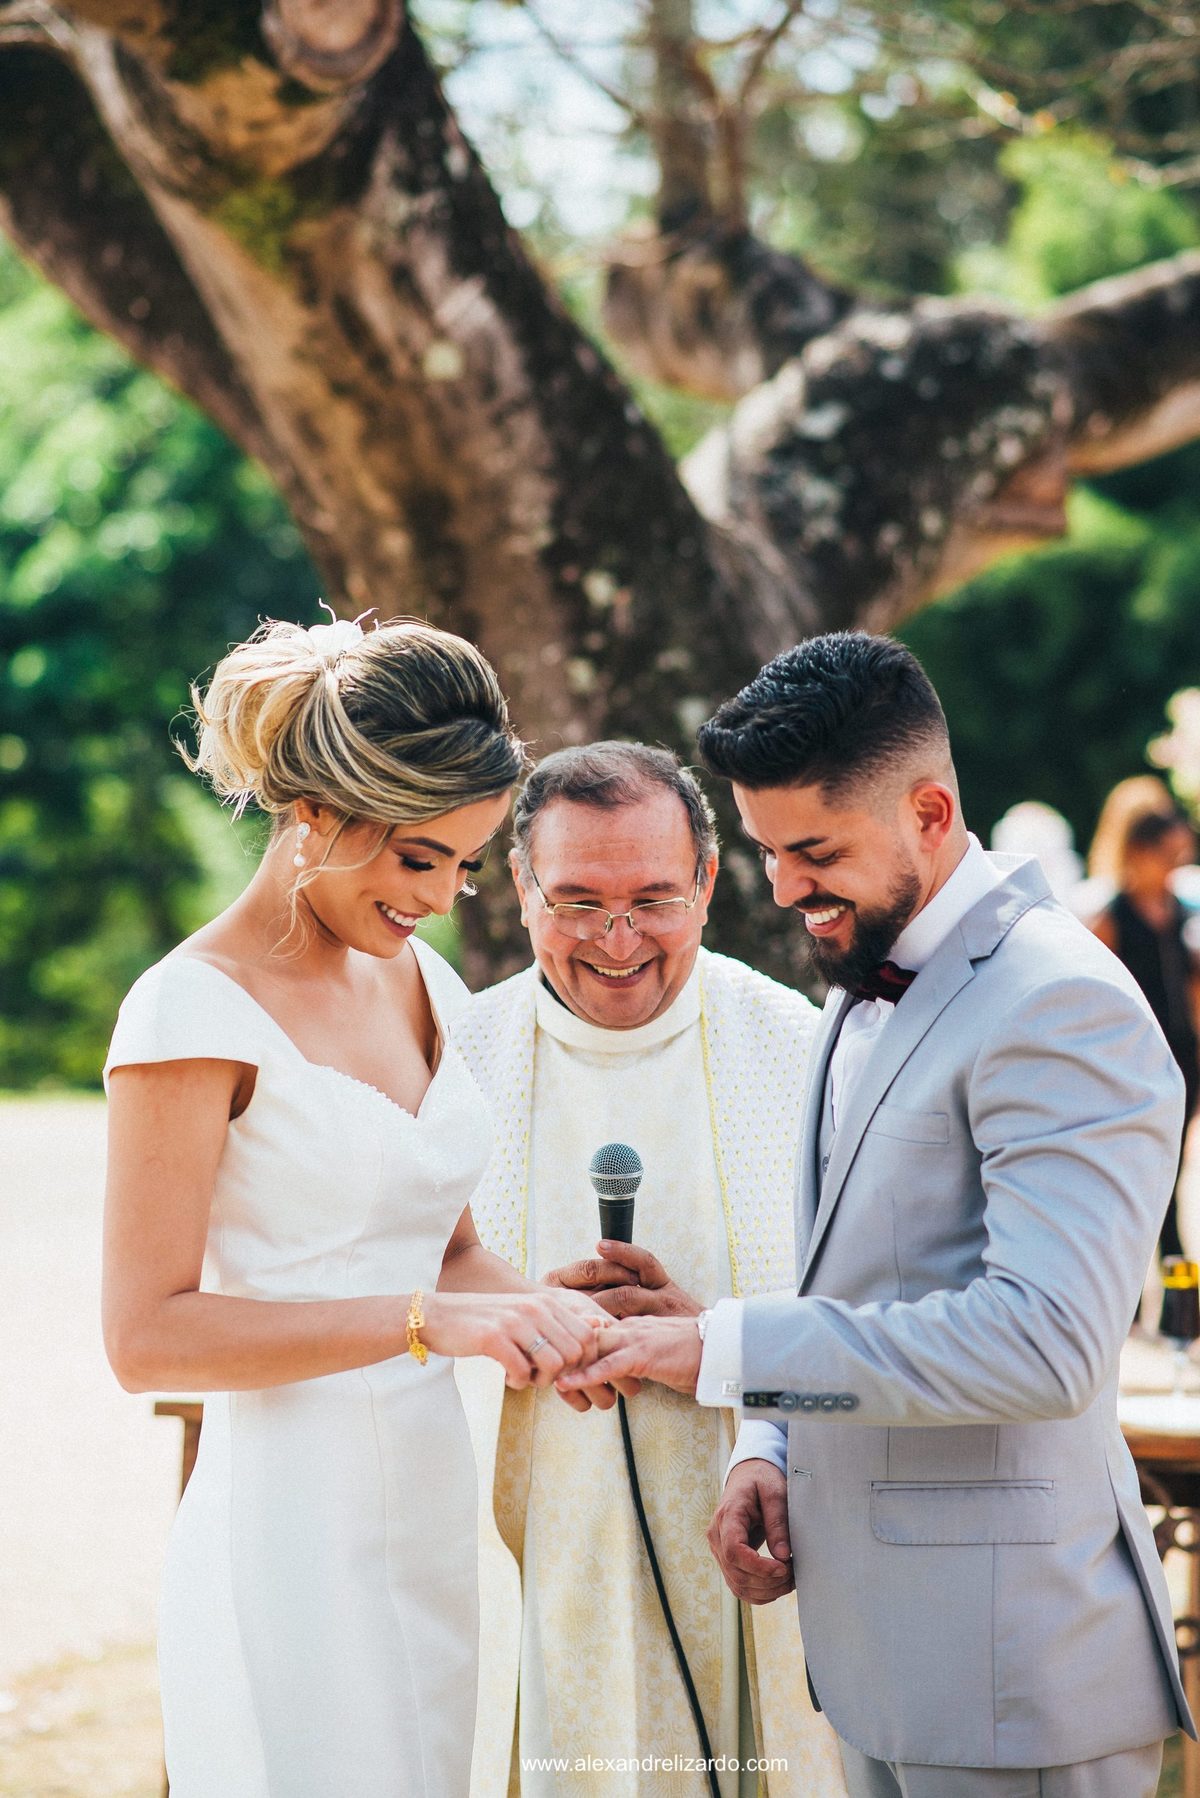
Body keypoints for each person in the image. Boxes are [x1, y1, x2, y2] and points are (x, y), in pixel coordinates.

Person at [563, 633, 1193, 1798]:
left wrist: (723, 1346)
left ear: (930, 811)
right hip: (878, 1661)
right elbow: (862, 1280)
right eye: (766, 851)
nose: (783, 889)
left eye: (815, 852)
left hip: (1015, 1678)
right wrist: (770, 1441)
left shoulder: (1061, 1002)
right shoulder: (867, 974)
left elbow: (1044, 1343)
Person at [102, 614, 605, 1798]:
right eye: (418, 858)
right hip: (288, 1528)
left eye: (464, 865)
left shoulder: (420, 978)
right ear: (313, 813)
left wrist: (551, 1317)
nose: (440, 898)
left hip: (430, 1510)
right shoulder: (188, 1014)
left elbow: (449, 1248)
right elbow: (144, 1337)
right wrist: (428, 1322)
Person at [453, 743, 846, 1797]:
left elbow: (864, 1317)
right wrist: (517, 1322)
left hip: (742, 1541)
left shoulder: (802, 1051)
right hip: (530, 1552)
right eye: (578, 902)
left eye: (654, 900)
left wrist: (715, 1335)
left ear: (708, 884)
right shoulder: (451, 1057)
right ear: (521, 888)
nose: (618, 939)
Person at [1086, 777, 1200, 1256]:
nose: (1175, 867)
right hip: (1132, 1062)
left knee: (1174, 1170)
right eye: (1166, 856)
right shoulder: (1111, 917)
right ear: (1136, 851)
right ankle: (1140, 1281)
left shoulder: (1181, 911)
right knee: (1138, 1175)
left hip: (1183, 1057)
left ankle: (1173, 1277)